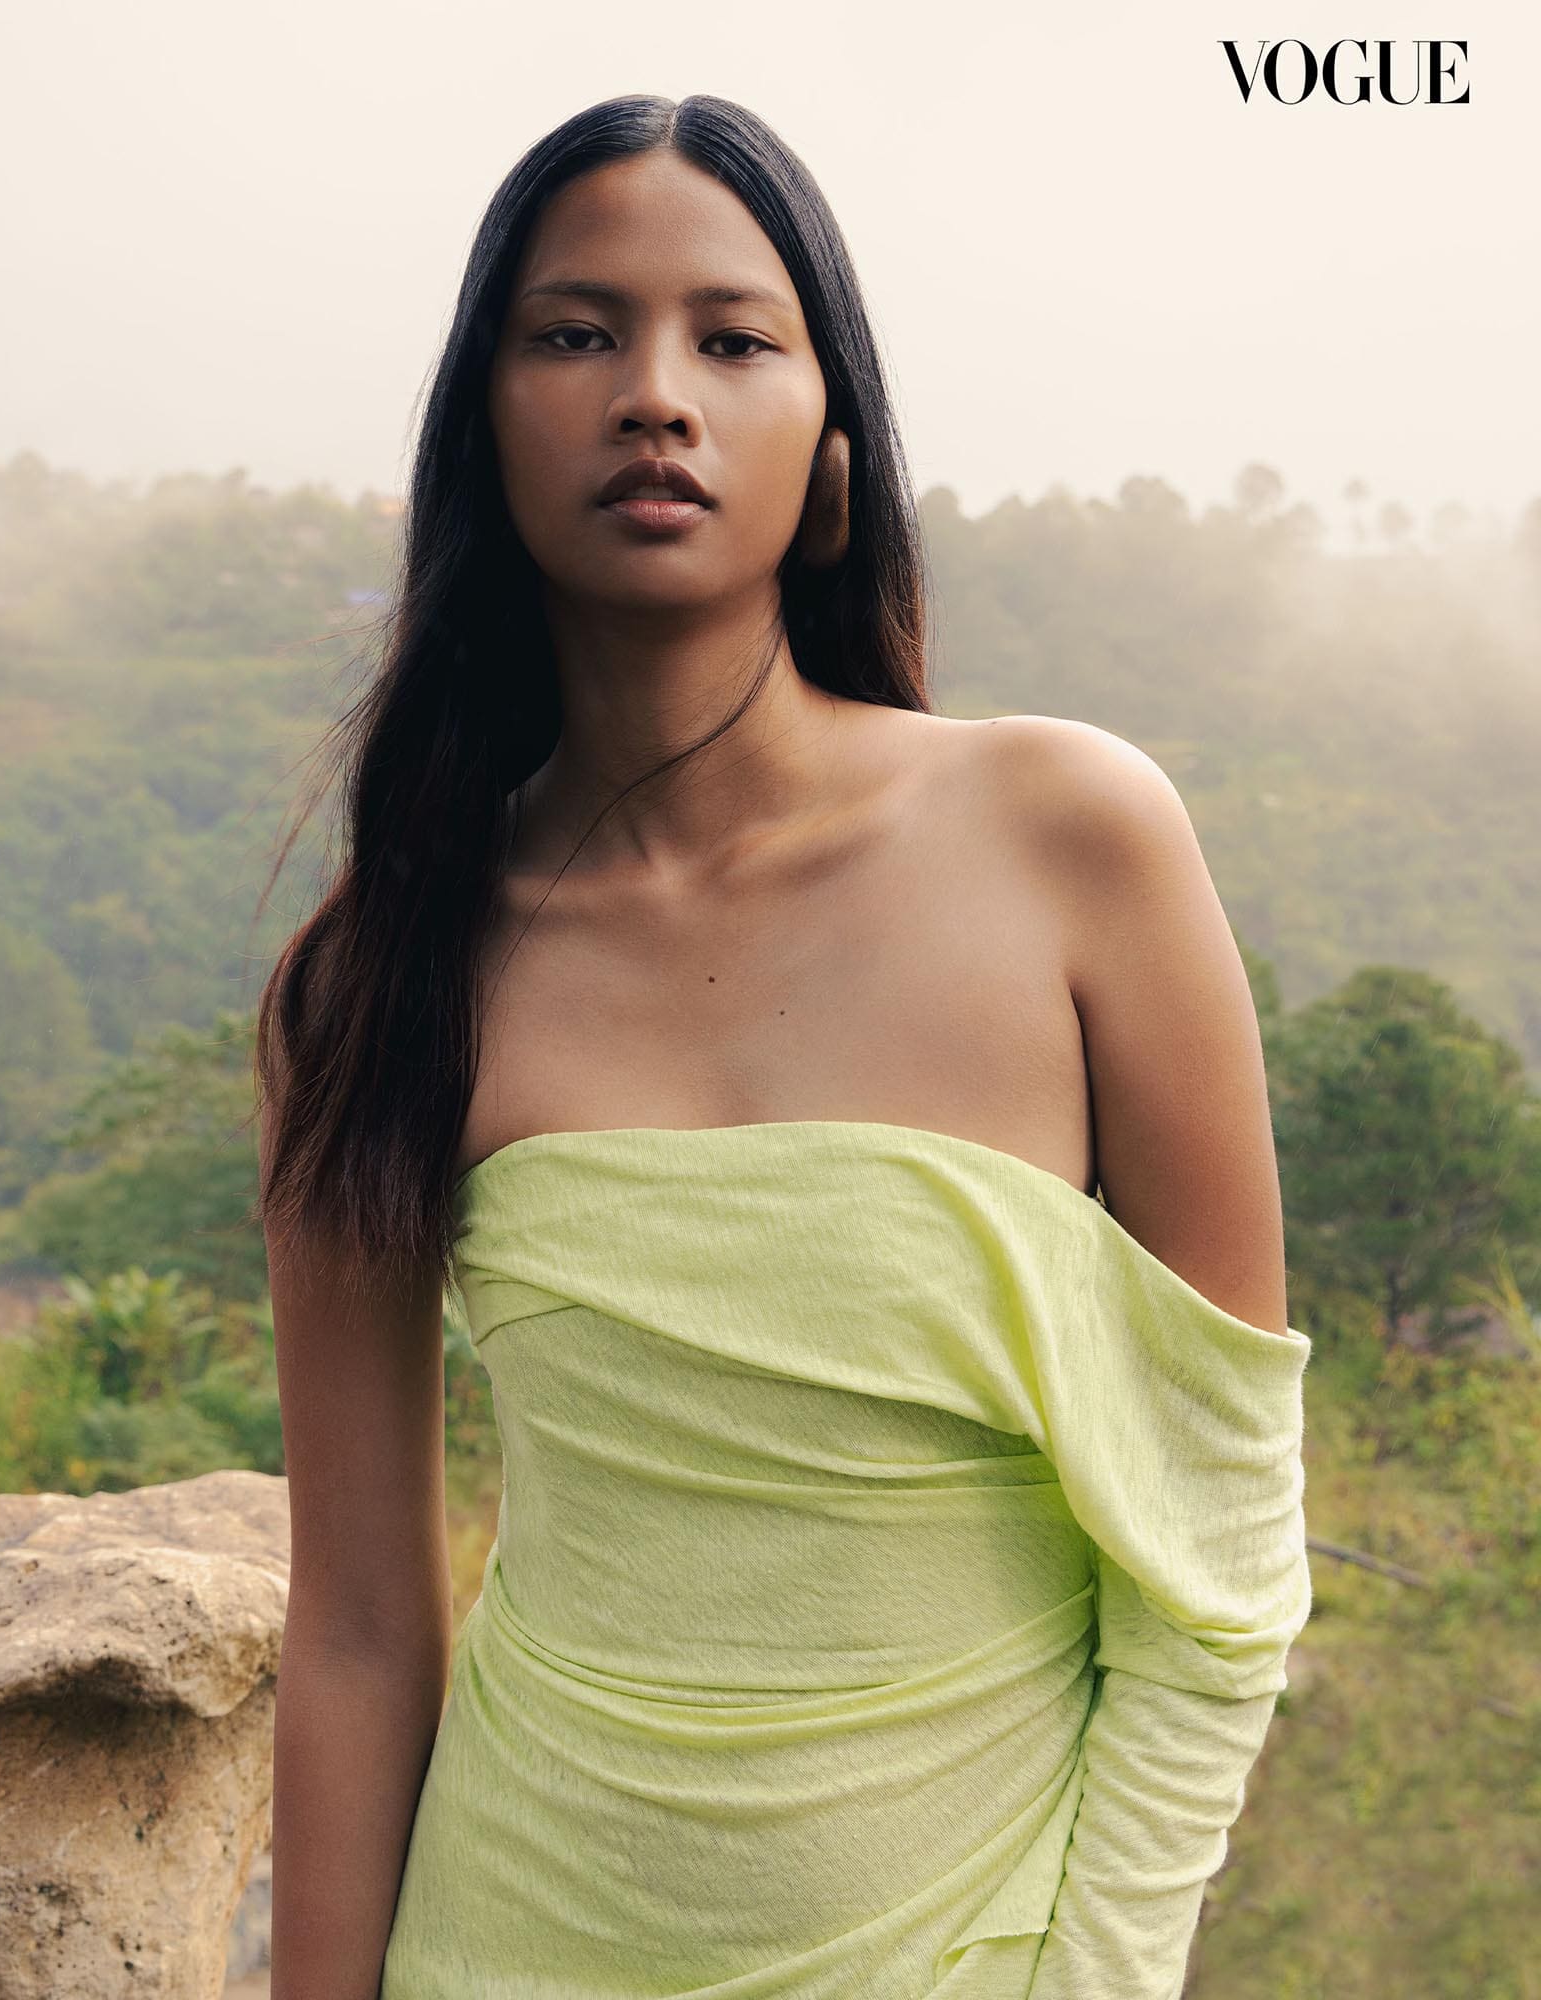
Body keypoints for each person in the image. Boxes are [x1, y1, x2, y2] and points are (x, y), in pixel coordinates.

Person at [255, 92, 1312, 2000]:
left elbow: (1218, 1567)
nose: (654, 395)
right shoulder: (386, 977)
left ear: (831, 461)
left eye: (733, 340)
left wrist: (1088, 1974)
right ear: (483, 433)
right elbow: (354, 1631)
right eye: (576, 334)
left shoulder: (1074, 842)